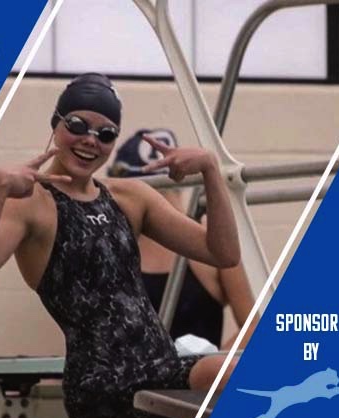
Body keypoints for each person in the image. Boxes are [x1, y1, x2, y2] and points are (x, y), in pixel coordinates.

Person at [0, 73, 239, 418]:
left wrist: (211, 170)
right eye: (78, 126)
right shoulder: (31, 205)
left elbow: (224, 253)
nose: (90, 140)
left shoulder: (130, 197)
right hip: (102, 387)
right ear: (56, 124)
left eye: (105, 133)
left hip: (164, 370)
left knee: (235, 375)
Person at [108, 129, 258, 350]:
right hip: (135, 380)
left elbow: (254, 326)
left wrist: (209, 367)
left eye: (163, 193)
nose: (156, 204)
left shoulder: (211, 244)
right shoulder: (111, 247)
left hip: (197, 382)